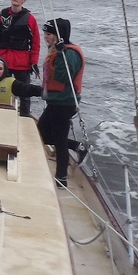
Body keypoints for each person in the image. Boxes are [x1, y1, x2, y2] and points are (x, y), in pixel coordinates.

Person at [36, 18, 85, 188]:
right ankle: (78, 146)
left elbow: (63, 77)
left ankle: (61, 178)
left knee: (59, 140)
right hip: (56, 102)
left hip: (64, 103)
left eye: (49, 34)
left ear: (59, 36)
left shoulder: (68, 54)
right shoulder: (57, 51)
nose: (45, 37)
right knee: (44, 133)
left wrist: (60, 55)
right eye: (45, 34)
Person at [0, 0, 40, 116]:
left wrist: (34, 62)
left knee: (25, 93)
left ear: (24, 0)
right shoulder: (0, 16)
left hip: (22, 62)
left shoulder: (30, 19)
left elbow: (36, 42)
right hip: (3, 60)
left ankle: (25, 116)